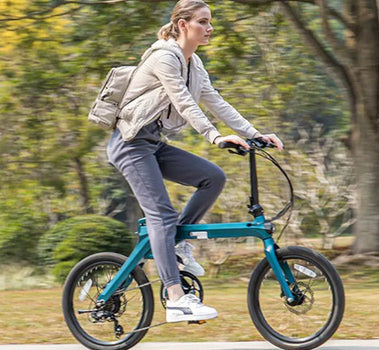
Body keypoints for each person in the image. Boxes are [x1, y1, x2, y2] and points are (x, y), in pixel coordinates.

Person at [106, 0, 283, 323]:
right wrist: (215, 137)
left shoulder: (193, 63)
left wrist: (256, 134)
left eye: (210, 22)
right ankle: (176, 298)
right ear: (183, 24)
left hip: (151, 143)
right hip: (130, 145)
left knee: (212, 177)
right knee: (161, 214)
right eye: (203, 21)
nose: (210, 28)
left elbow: (216, 100)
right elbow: (183, 101)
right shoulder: (164, 56)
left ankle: (178, 243)